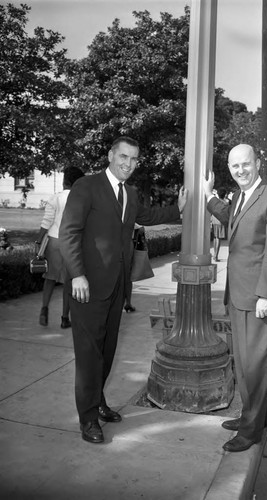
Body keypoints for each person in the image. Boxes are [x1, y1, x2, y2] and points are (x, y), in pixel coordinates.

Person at [59, 136, 187, 444]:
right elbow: (69, 232)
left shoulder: (130, 193)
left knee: (106, 351)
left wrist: (177, 209)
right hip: (86, 287)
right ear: (111, 155)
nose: (128, 164)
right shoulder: (86, 187)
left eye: (133, 159)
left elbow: (146, 216)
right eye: (123, 157)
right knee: (89, 356)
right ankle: (88, 419)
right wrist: (77, 275)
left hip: (117, 286)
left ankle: (98, 401)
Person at [203, 144, 267, 453]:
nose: (240, 170)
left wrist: (266, 294)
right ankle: (253, 416)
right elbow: (232, 218)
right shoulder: (240, 197)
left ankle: (251, 431)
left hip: (259, 298)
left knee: (256, 364)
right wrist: (208, 196)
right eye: (234, 166)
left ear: (258, 162)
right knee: (243, 363)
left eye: (245, 164)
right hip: (239, 295)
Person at [36, 166, 85, 328]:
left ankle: (44, 308)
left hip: (53, 242)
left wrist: (38, 241)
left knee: (49, 278)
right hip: (72, 244)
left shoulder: (55, 198)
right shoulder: (82, 199)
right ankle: (65, 318)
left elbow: (46, 222)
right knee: (69, 282)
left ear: (65, 181)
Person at [211, 187, 228, 261]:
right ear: (225, 194)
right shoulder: (225, 203)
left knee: (215, 237)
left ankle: (214, 254)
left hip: (214, 220)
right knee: (218, 238)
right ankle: (216, 256)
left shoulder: (215, 202)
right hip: (220, 222)